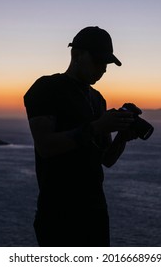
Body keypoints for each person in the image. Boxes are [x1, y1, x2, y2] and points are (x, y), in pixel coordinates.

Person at [24, 26, 138, 246]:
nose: (103, 69)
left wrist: (122, 136)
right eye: (98, 61)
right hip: (58, 214)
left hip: (95, 212)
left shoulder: (97, 99)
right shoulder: (46, 88)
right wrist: (97, 127)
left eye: (106, 64)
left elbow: (106, 159)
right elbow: (45, 146)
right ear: (75, 55)